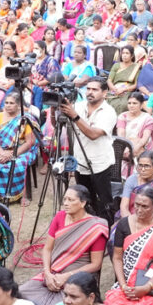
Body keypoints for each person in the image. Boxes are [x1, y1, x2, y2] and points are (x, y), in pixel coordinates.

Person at [19, 185, 109, 305]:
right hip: (53, 272)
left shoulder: (95, 228)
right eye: (65, 199)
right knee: (20, 294)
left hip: (77, 275)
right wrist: (47, 273)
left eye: (71, 200)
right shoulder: (59, 217)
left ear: (83, 203)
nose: (66, 203)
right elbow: (47, 249)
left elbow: (96, 264)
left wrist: (67, 276)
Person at [59, 79, 116, 221]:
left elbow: (93, 134)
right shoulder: (78, 106)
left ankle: (106, 229)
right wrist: (57, 108)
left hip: (100, 163)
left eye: (95, 90)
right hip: (80, 162)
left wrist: (75, 116)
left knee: (104, 203)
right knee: (84, 200)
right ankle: (87, 228)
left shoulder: (109, 112)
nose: (90, 92)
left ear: (104, 92)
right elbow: (59, 125)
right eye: (88, 89)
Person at [119, 151, 153, 218]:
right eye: (140, 165)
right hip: (130, 218)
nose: (142, 169)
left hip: (152, 220)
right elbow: (124, 207)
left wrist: (143, 224)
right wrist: (130, 223)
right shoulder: (132, 180)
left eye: (146, 166)